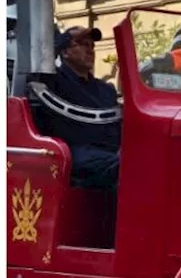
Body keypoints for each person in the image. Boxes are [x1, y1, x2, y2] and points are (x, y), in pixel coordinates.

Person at [37, 26, 121, 191]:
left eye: (92, 46)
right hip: (72, 152)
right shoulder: (53, 81)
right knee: (125, 167)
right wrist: (65, 38)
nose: (90, 50)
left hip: (109, 151)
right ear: (65, 52)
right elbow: (40, 63)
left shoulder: (106, 90)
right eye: (82, 44)